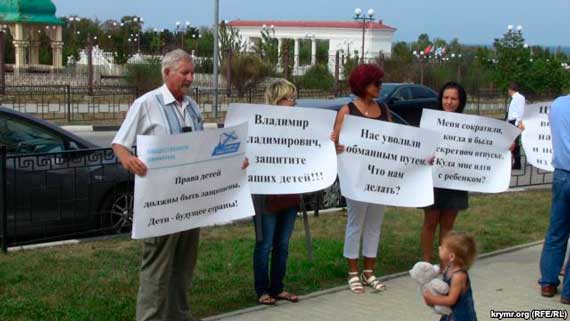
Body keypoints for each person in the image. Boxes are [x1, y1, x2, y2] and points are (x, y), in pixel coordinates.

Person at [112, 49, 247, 321]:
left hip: (190, 204)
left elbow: (203, 150)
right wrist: (129, 159)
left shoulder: (193, 107)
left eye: (191, 73)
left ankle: (179, 316)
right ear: (167, 73)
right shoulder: (147, 104)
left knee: (184, 267)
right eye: (184, 72)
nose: (190, 78)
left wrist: (233, 161)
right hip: (161, 204)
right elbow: (119, 144)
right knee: (157, 269)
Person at [332, 64, 391, 294]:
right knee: (355, 223)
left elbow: (394, 140)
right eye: (376, 83)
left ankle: (369, 271)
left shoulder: (384, 110)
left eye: (380, 82)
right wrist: (337, 145)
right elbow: (335, 141)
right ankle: (352, 272)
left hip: (379, 177)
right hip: (355, 178)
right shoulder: (347, 110)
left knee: (375, 223)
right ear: (363, 84)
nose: (380, 87)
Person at [252, 79, 301, 305]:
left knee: (282, 245)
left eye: (294, 98)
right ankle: (262, 290)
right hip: (266, 195)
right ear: (276, 100)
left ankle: (277, 287)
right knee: (265, 243)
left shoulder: (299, 126)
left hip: (289, 193)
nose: (293, 103)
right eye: (289, 98)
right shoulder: (259, 126)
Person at [421, 82, 469, 263]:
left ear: (460, 101)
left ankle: (444, 263)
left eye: (453, 98)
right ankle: (426, 261)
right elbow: (420, 145)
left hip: (455, 180)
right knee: (430, 221)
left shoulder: (468, 125)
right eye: (446, 98)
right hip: (433, 179)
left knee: (448, 225)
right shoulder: (431, 121)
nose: (449, 102)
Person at [538, 94, 570, 305]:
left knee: (556, 231)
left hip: (561, 174)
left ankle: (548, 282)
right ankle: (568, 292)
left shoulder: (558, 104)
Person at [423, 231, 478, 321]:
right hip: (450, 314)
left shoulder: (458, 276)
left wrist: (432, 299)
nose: (439, 248)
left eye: (443, 248)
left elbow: (451, 300)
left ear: (451, 256)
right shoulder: (448, 269)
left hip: (461, 317)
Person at [506, 82, 525, 170]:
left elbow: (520, 111)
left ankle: (517, 164)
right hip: (511, 121)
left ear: (511, 89)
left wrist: (518, 123)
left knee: (515, 143)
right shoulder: (514, 98)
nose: (508, 92)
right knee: (511, 142)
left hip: (515, 122)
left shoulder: (519, 98)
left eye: (508, 90)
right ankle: (513, 162)